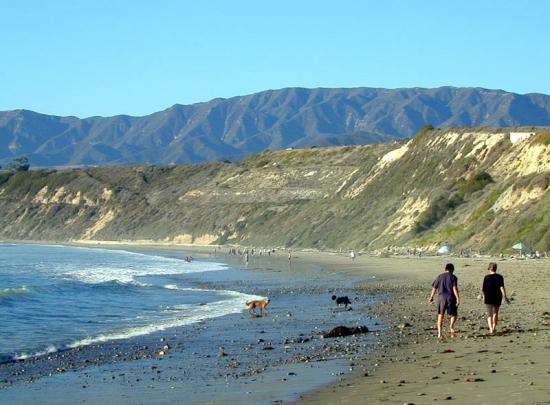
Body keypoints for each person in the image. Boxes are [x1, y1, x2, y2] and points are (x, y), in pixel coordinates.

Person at [429, 263, 460, 339]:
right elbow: (454, 288)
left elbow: (434, 288)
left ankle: (439, 333)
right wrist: (458, 298)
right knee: (454, 314)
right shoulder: (453, 277)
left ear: (445, 269)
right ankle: (451, 326)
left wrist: (431, 297)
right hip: (451, 297)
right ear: (452, 270)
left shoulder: (440, 276)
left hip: (441, 297)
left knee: (440, 315)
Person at [481, 262, 510, 335]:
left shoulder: (486, 277)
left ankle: (491, 329)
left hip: (488, 296)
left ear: (489, 269)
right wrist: (505, 296)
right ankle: (494, 327)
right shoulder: (500, 277)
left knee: (489, 314)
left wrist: (484, 297)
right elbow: (501, 287)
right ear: (495, 269)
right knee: (495, 313)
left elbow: (484, 289)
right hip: (497, 296)